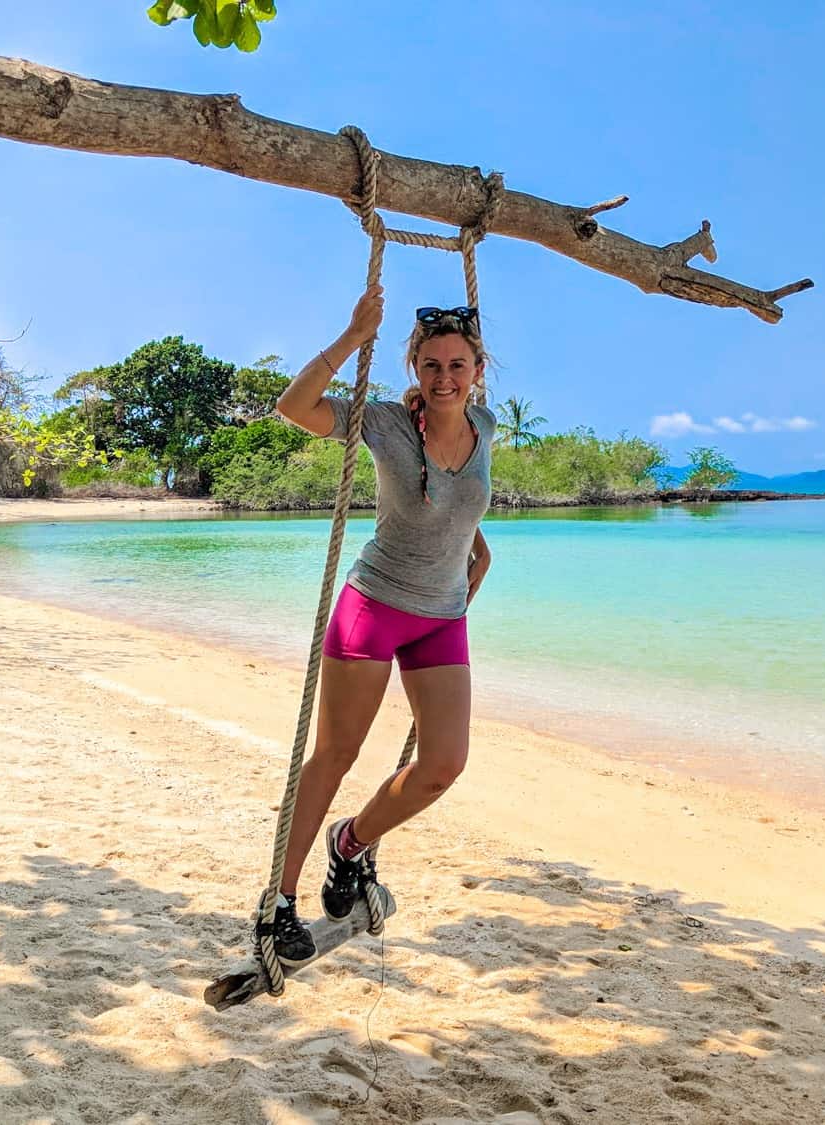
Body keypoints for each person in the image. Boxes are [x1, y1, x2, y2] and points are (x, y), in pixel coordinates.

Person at [271, 284, 495, 964]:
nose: (446, 378)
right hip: (373, 607)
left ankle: (352, 843)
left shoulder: (488, 428)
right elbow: (294, 408)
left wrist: (479, 553)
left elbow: (466, 505)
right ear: (414, 371)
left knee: (443, 764)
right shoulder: (386, 424)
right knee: (334, 755)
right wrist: (350, 335)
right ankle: (279, 900)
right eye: (432, 365)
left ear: (477, 371)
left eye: (458, 365)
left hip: (441, 618)